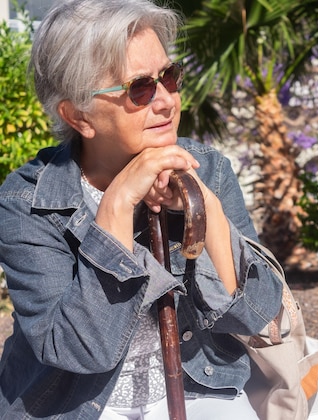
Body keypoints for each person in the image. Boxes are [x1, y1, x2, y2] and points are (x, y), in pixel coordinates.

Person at [0, 0, 284, 418]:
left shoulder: (207, 168)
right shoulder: (27, 201)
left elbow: (259, 313)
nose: (167, 101)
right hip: (75, 408)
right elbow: (78, 350)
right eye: (140, 88)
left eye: (170, 77)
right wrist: (116, 205)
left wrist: (206, 212)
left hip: (201, 392)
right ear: (78, 116)